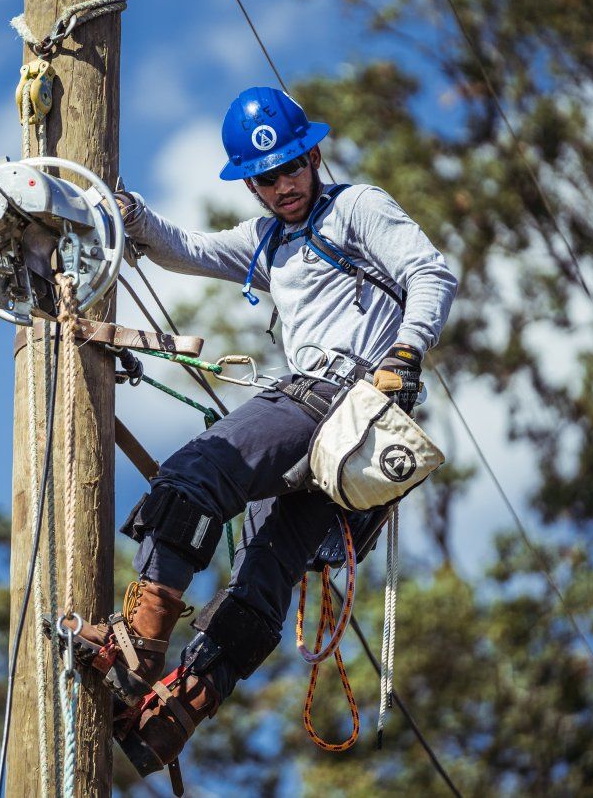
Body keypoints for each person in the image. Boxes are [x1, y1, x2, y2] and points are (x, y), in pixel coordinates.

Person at [57, 86, 458, 779]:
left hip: (343, 401)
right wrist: (128, 214)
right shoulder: (266, 240)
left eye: (293, 167)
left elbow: (430, 271)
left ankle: (139, 644)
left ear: (313, 155)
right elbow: (185, 247)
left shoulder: (355, 208)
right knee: (260, 574)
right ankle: (174, 711)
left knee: (198, 470)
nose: (283, 186)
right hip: (337, 454)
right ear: (252, 182)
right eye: (266, 178)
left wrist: (406, 351)